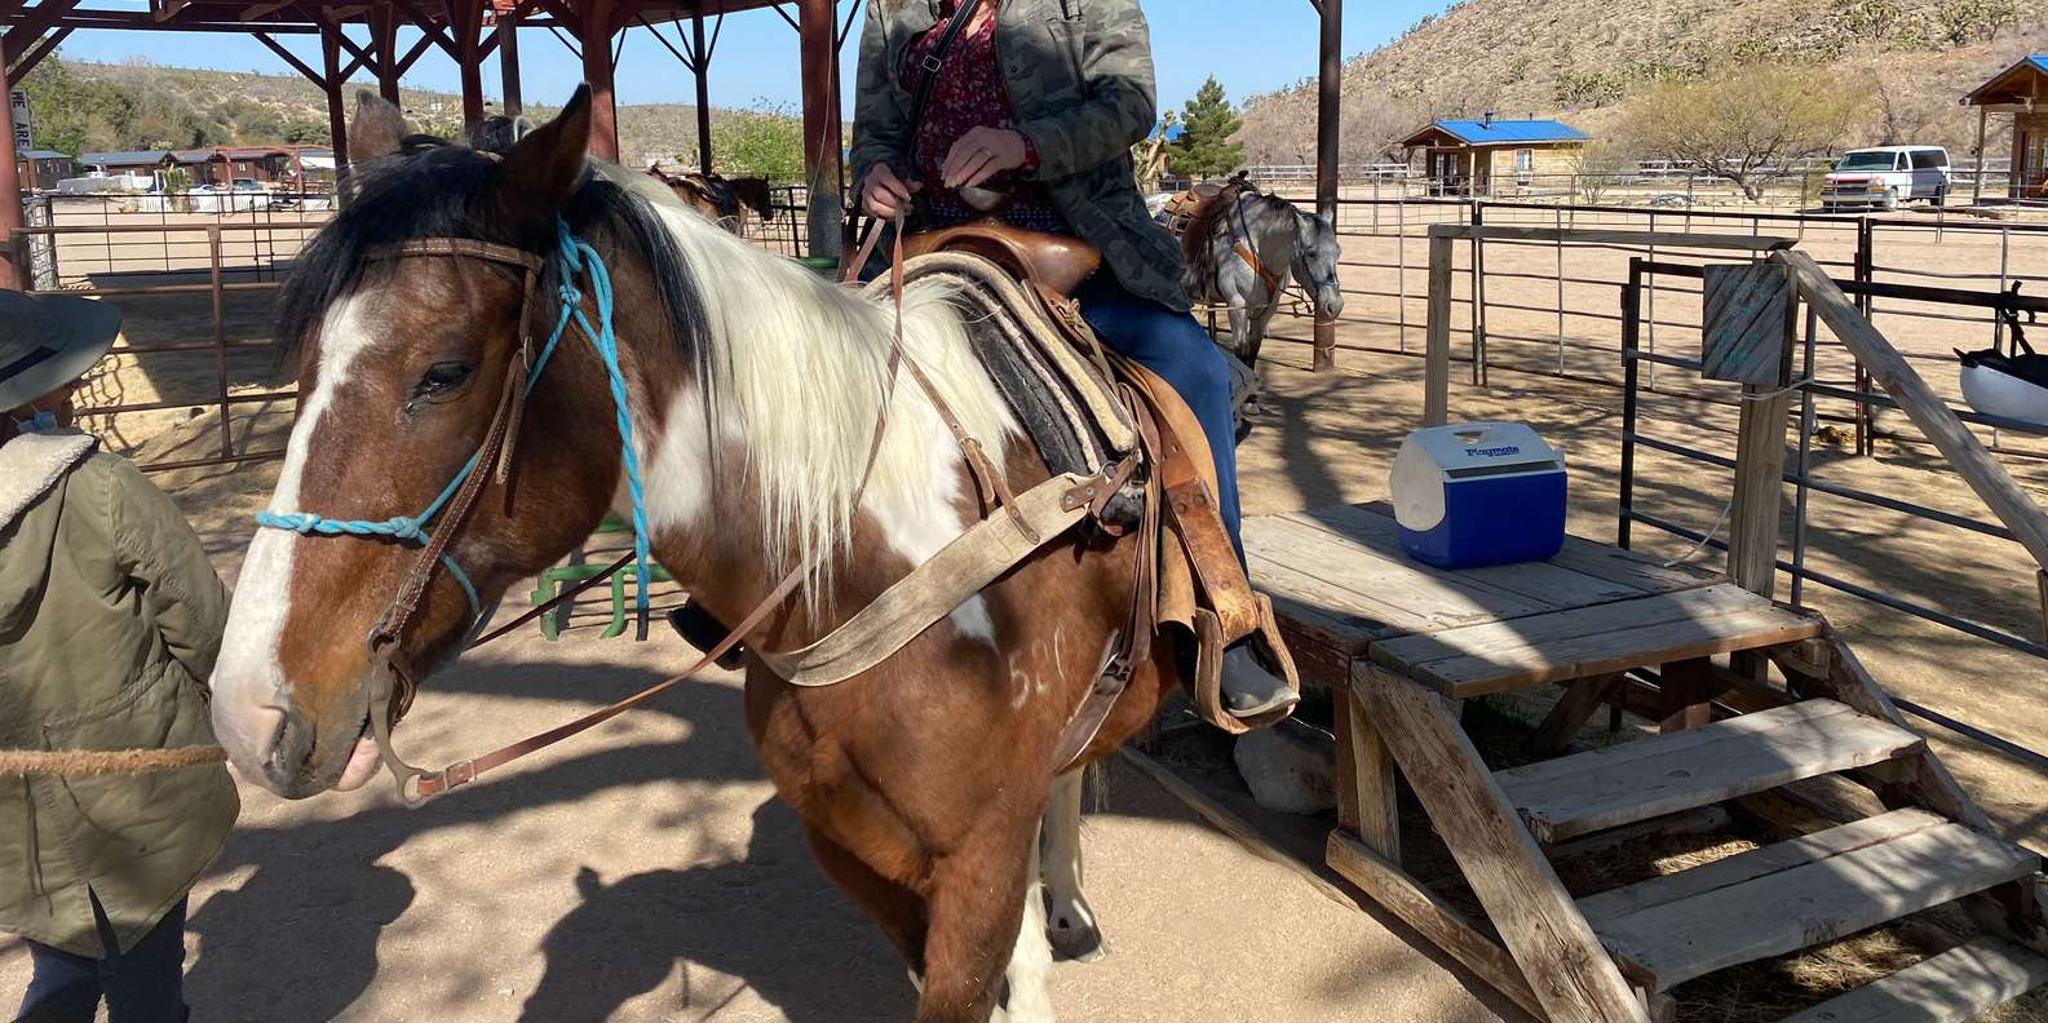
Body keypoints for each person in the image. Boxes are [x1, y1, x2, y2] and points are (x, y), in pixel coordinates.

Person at [851, 0, 1297, 719]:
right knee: (828, 366)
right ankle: (786, 585)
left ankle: (1223, 609)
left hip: (1079, 245)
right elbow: (874, 131)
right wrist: (874, 172)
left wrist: (1024, 143)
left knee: (1192, 368)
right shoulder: (887, 10)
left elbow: (1130, 103)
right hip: (942, 253)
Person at [1, 290, 237, 1023]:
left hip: (15, 803)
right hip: (135, 786)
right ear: (35, 390)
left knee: (62, 958)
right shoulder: (96, 486)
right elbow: (202, 621)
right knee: (145, 978)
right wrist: (233, 709)